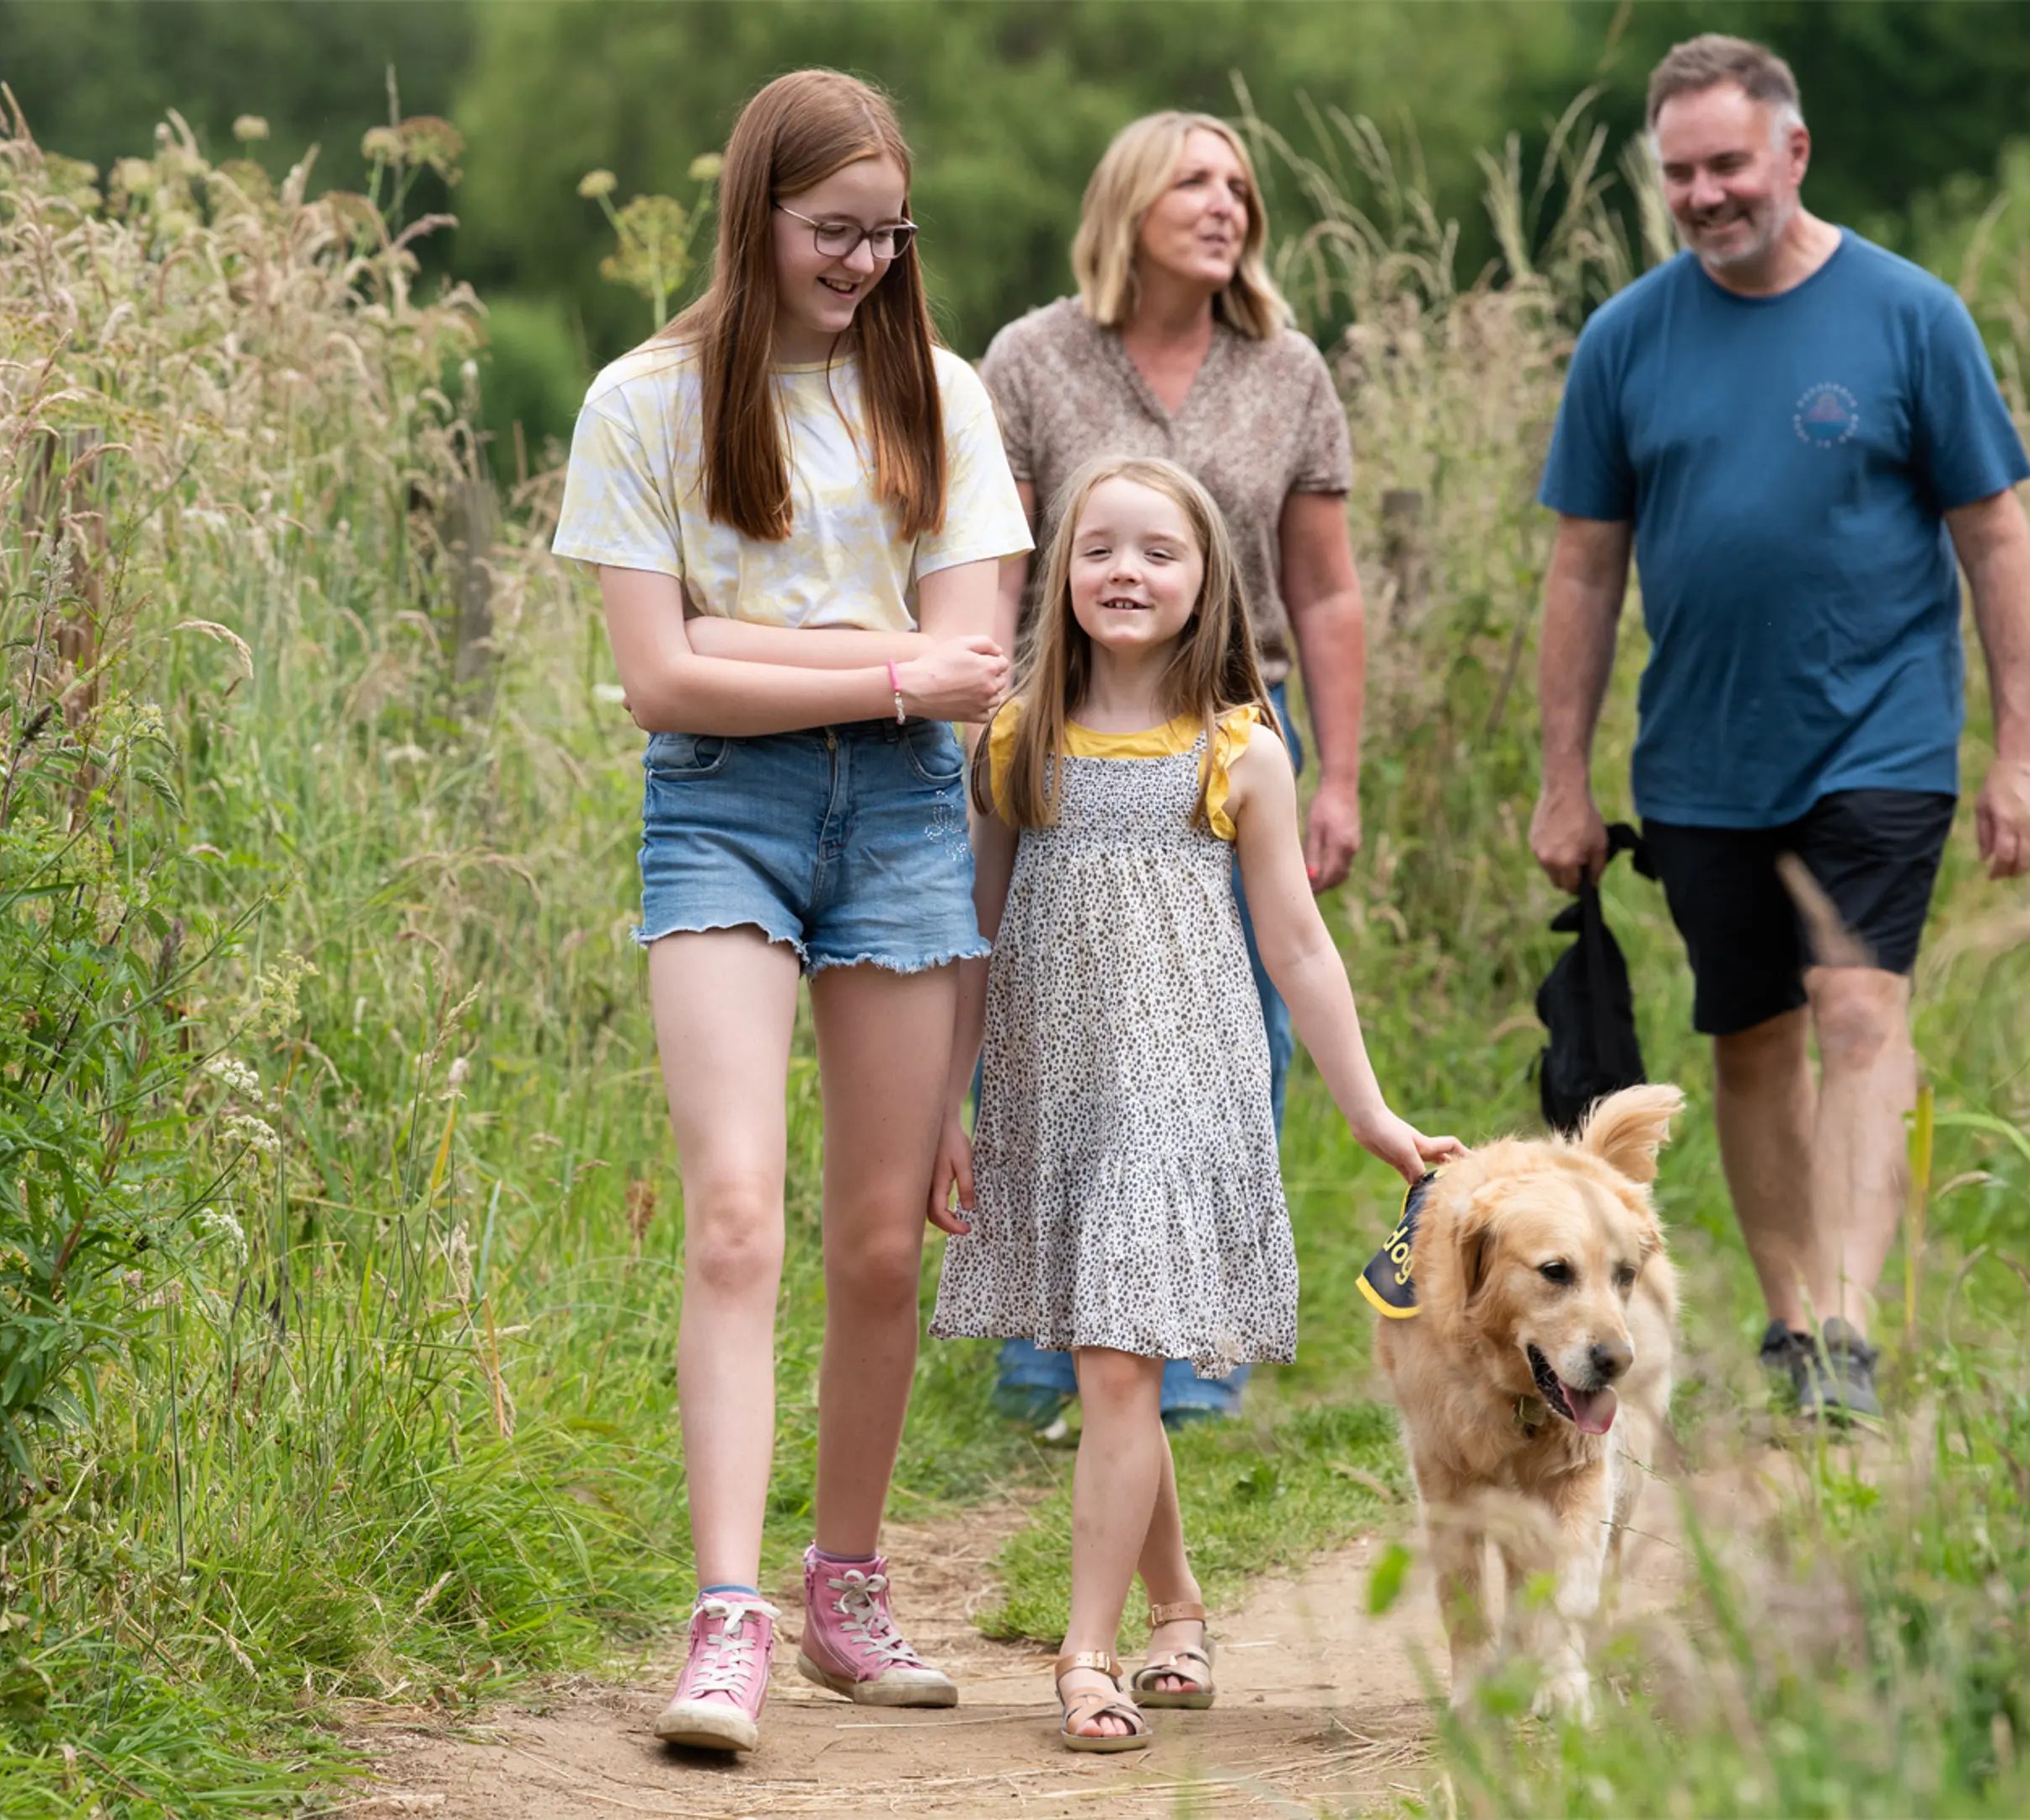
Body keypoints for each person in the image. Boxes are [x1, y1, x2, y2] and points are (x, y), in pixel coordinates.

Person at [551, 68, 1034, 1753]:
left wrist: (797, 660)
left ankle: (846, 1585)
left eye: (890, 237)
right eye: (836, 232)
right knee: (740, 1215)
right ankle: (725, 1619)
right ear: (755, 211)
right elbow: (653, 679)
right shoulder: (645, 401)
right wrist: (881, 661)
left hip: (901, 827)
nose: (865, 266)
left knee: (884, 1242)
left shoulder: (946, 398)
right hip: (720, 824)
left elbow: (976, 681)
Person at [1528, 35, 2030, 1423]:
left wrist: (2023, 750)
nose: (1705, 195)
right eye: (1681, 173)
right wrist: (1560, 782)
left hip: (1879, 737)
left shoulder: (1910, 316)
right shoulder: (1626, 339)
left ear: (1794, 153)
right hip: (1702, 758)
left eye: (1728, 165)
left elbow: (1995, 539)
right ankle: (1787, 1319)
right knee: (1752, 1037)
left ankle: (1849, 1328)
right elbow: (1584, 569)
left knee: (1859, 1010)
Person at [926, 455, 1457, 1750]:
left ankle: (1085, 1656)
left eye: (1160, 552)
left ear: (1211, 580)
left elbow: (1300, 949)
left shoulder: (1242, 752)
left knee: (1116, 1362)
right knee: (1123, 1354)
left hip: (1186, 1085)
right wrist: (947, 1106)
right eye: (1098, 549)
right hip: (1056, 1091)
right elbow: (972, 933)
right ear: (1060, 574)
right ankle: (1179, 1610)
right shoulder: (1016, 741)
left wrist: (1371, 1113)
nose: (1126, 572)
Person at [978, 110, 1373, 1428]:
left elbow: (1322, 593)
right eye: (1195, 181)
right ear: (1127, 203)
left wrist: (1338, 776)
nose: (1226, 205)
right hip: (1062, 734)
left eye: (1241, 186)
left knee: (1229, 1035)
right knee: (1047, 1022)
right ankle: (1049, 1344)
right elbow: (1001, 571)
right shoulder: (1032, 361)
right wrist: (990, 732)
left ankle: (1193, 1349)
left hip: (1232, 733)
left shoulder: (1287, 370)